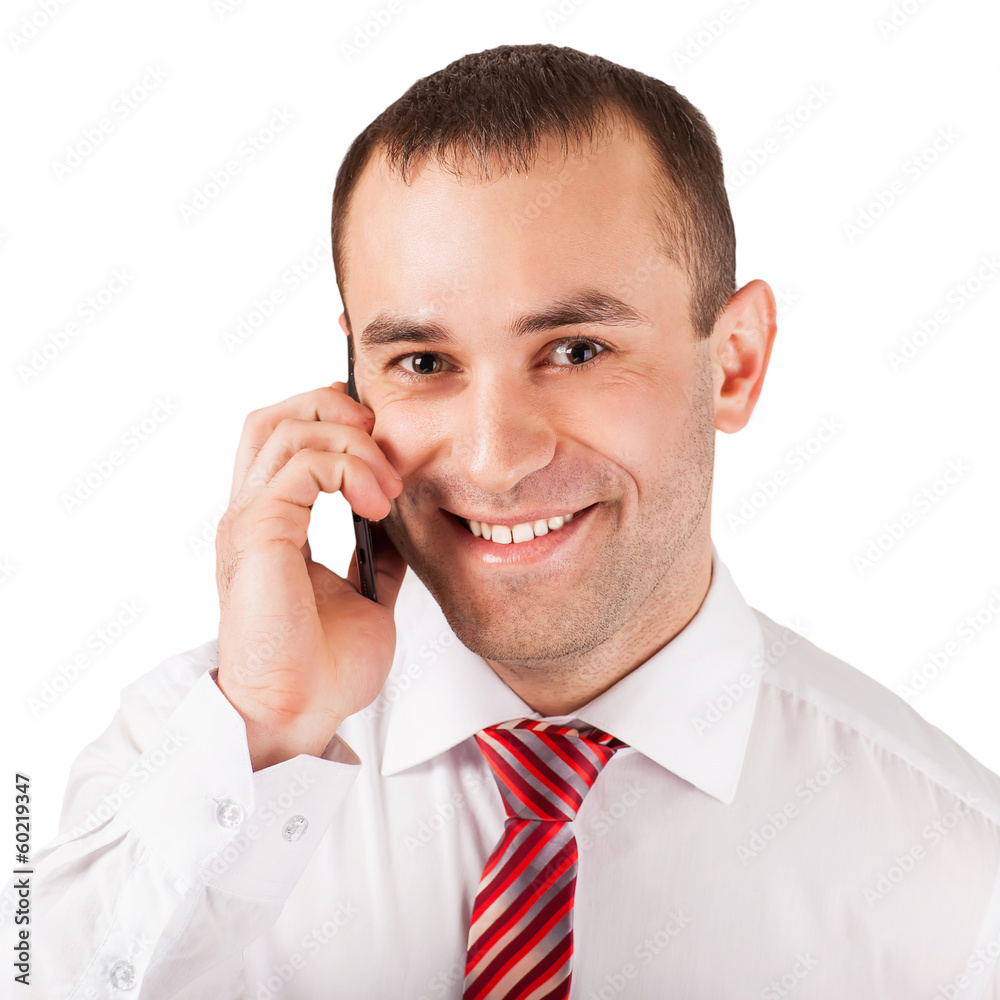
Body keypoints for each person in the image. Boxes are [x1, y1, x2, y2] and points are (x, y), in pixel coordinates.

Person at [15, 42, 1000, 999]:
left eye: (576, 349)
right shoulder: (189, 751)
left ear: (733, 363)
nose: (493, 455)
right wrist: (266, 729)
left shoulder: (958, 875)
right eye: (423, 362)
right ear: (353, 376)